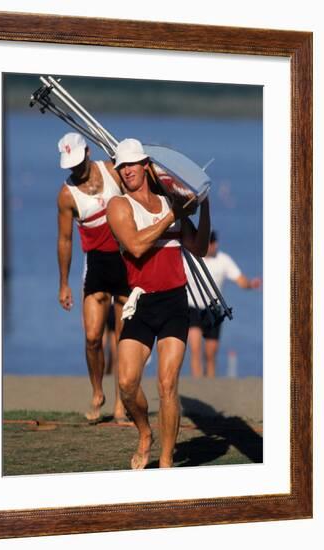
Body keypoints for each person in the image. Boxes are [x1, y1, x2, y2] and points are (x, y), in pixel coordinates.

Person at [106, 138, 211, 469]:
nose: (127, 171)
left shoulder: (171, 201)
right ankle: (144, 433)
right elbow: (136, 247)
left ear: (146, 165)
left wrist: (204, 205)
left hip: (174, 302)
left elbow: (199, 248)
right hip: (141, 304)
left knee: (167, 385)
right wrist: (172, 217)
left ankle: (165, 464)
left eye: (132, 164)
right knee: (126, 383)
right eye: (121, 166)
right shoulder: (119, 206)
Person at [56, 132, 130, 422]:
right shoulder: (66, 195)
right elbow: (64, 240)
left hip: (125, 263)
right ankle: (98, 392)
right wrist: (63, 283)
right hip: (96, 265)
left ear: (87, 151)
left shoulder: (112, 171)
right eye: (69, 165)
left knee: (124, 338)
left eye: (78, 161)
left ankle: (123, 401)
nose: (75, 169)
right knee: (92, 338)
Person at [184, 230, 262, 378]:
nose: (213, 246)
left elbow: (240, 280)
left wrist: (251, 284)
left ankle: (210, 384)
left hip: (214, 310)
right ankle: (198, 385)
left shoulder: (223, 260)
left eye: (214, 243)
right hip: (192, 306)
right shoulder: (190, 259)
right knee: (195, 349)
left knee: (210, 352)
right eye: (210, 243)